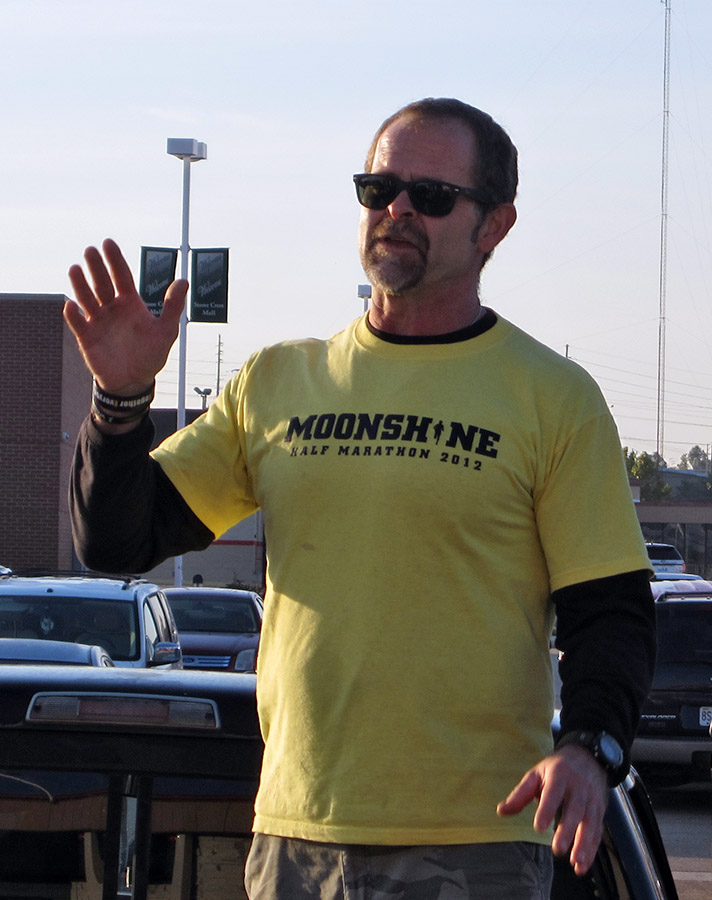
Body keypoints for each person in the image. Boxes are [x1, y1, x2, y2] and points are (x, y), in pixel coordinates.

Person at [64, 98, 655, 900]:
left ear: (495, 225)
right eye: (378, 190)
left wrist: (588, 747)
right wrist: (120, 401)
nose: (397, 210)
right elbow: (117, 541)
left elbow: (611, 610)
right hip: (296, 840)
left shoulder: (553, 398)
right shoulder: (277, 382)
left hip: (475, 842)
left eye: (431, 196)